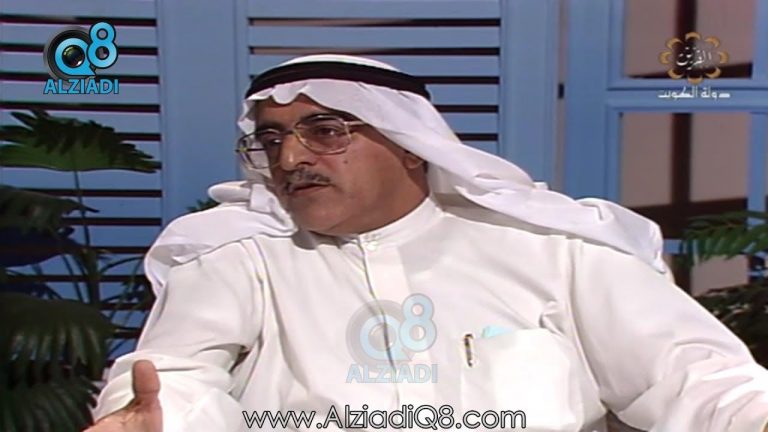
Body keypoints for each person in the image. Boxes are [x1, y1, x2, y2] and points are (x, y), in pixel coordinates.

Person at [86, 54, 768, 432]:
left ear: (411, 146)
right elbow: (173, 377)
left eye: (326, 132)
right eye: (271, 139)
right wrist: (162, 420)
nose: (290, 157)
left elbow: (694, 376)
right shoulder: (238, 253)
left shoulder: (553, 246)